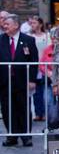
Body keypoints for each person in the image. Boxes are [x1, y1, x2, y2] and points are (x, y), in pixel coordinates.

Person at [0, 13, 38, 146]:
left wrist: (32, 80)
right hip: (4, 82)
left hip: (22, 80)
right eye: (4, 24)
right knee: (7, 109)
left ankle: (26, 135)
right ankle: (12, 135)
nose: (4, 26)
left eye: (7, 24)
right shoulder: (1, 39)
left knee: (23, 107)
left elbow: (34, 61)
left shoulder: (28, 40)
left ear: (16, 25)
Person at [29, 16, 51, 122]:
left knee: (45, 90)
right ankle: (38, 113)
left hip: (45, 66)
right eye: (31, 23)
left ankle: (46, 113)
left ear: (40, 24)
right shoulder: (29, 36)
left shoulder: (47, 36)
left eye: (34, 23)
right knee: (36, 91)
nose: (32, 25)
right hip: (34, 67)